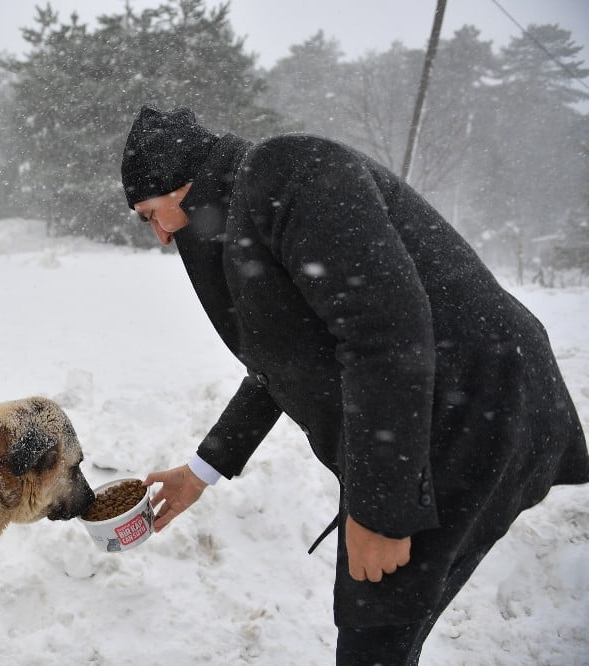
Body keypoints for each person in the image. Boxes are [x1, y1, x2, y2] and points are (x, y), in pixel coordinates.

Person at [121, 104, 589, 664]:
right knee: (383, 625)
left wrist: (382, 513)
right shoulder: (246, 213)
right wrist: (201, 472)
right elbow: (283, 365)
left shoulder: (284, 171)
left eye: (152, 213)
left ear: (184, 186)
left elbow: (387, 335)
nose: (160, 237)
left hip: (474, 405)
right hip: (441, 413)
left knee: (376, 626)